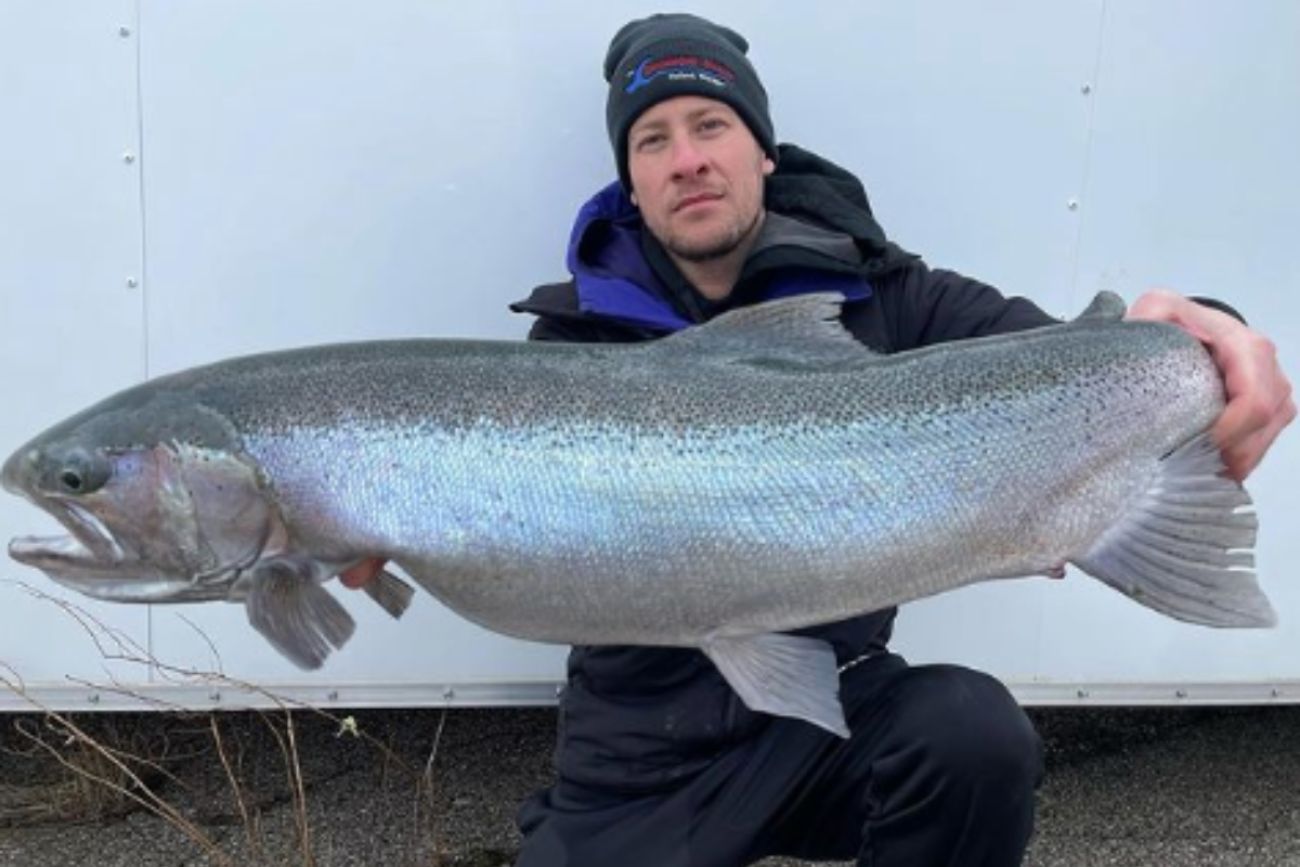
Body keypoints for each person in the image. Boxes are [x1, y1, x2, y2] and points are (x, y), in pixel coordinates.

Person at [344, 13, 1294, 866]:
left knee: (972, 734)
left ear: (762, 150)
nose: (687, 158)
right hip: (637, 750)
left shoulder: (896, 298)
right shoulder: (570, 347)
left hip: (835, 712)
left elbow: (1075, 366)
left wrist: (1209, 331)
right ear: (631, 180)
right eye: (652, 139)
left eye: (711, 125)